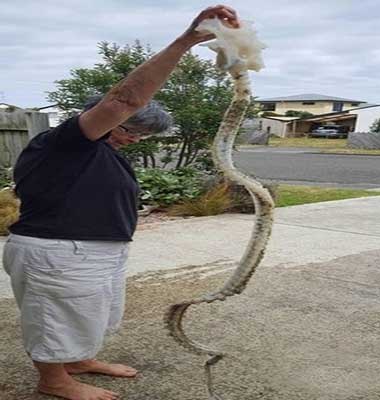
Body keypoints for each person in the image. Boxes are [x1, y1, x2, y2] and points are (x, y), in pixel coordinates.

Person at [2, 5, 240, 400]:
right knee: (55, 317)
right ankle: (53, 380)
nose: (132, 138)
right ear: (101, 116)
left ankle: (75, 361)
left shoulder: (101, 153)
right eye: (129, 129)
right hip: (58, 252)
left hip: (94, 250)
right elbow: (125, 100)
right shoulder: (67, 143)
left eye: (142, 137)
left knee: (87, 314)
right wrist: (185, 43)